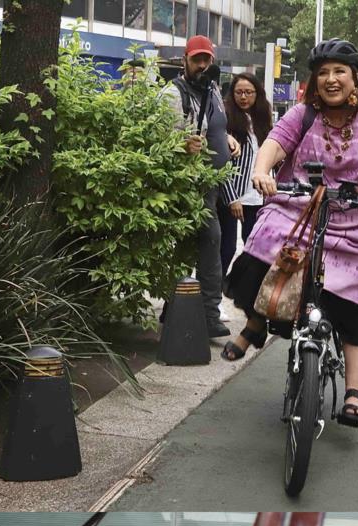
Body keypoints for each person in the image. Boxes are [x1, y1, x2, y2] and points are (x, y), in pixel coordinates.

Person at [224, 39, 358, 428]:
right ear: (314, 80)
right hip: (298, 208)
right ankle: (254, 325)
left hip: (356, 219)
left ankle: (354, 389)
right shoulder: (302, 114)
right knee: (260, 249)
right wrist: (262, 171)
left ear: (355, 78)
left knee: (356, 293)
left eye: (339, 72)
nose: (331, 79)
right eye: (323, 73)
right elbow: (274, 143)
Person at [160, 36, 240, 340]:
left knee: (196, 247)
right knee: (210, 240)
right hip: (192, 185)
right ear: (184, 60)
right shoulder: (173, 94)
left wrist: (227, 137)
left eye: (207, 59)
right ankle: (207, 314)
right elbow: (162, 141)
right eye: (197, 59)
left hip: (217, 183)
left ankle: (178, 309)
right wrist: (182, 146)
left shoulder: (213, 89)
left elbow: (216, 125)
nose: (203, 65)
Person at [218, 71, 273, 282]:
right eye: (239, 92)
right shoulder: (226, 119)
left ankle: (236, 289)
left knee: (254, 250)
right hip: (232, 196)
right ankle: (214, 298)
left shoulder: (262, 120)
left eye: (249, 92)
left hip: (257, 196)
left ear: (257, 94)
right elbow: (222, 164)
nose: (243, 97)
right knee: (227, 249)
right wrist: (232, 198)